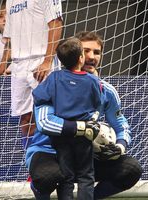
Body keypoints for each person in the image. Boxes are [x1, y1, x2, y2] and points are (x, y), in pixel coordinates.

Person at [26, 31, 143, 200]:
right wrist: (81, 128)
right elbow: (45, 122)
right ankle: (38, 190)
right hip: (50, 152)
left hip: (86, 154)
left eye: (96, 52)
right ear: (76, 55)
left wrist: (120, 146)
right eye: (86, 50)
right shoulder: (53, 83)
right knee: (47, 177)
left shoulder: (106, 90)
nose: (91, 56)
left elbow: (119, 122)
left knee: (131, 169)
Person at [0, 0, 63, 150]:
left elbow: (56, 23)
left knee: (47, 115)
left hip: (41, 59)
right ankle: (32, 162)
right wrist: (1, 67)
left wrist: (47, 60)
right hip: (19, 65)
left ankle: (53, 160)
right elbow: (10, 37)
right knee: (25, 118)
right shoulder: (10, 1)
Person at [33, 37, 102, 200]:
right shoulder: (92, 80)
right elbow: (98, 102)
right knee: (86, 176)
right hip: (84, 136)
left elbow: (38, 95)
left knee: (66, 176)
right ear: (81, 58)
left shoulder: (54, 78)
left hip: (62, 135)